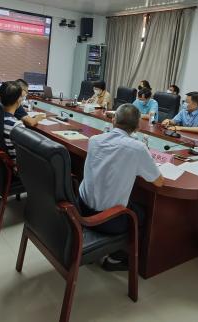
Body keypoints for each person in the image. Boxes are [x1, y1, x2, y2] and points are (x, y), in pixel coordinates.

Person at [79, 104, 164, 271]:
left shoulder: (94, 140)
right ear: (137, 127)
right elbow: (159, 182)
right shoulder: (137, 148)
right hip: (107, 222)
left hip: (82, 209)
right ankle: (115, 257)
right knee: (142, 214)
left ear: (113, 120)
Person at [0, 81, 25, 165]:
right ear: (18, 100)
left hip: (0, 161)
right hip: (16, 165)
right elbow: (21, 154)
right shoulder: (16, 125)